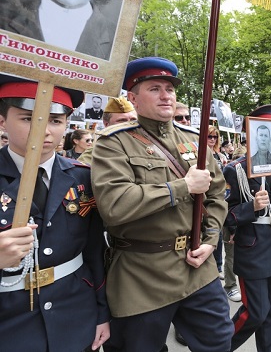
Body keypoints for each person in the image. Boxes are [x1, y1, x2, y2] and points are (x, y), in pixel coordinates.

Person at [91, 57, 233, 351]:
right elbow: (114, 205)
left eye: (169, 88)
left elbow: (218, 194)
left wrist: (210, 239)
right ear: (133, 98)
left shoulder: (195, 141)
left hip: (197, 267)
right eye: (154, 88)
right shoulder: (113, 143)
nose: (166, 94)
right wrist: (182, 187)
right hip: (143, 274)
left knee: (219, 343)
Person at [0, 76, 109, 351]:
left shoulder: (84, 177)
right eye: (28, 118)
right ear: (3, 121)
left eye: (55, 120)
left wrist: (101, 313)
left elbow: (95, 253)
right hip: (10, 323)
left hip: (75, 314)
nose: (44, 131)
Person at [223, 105, 271, 351]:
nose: (268, 138)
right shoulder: (236, 169)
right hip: (253, 248)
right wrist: (250, 207)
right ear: (253, 134)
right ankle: (219, 346)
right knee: (256, 311)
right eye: (263, 132)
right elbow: (224, 215)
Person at [77, 96, 136, 163]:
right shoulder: (94, 154)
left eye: (133, 120)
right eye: (122, 120)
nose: (128, 124)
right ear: (106, 124)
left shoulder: (144, 147)